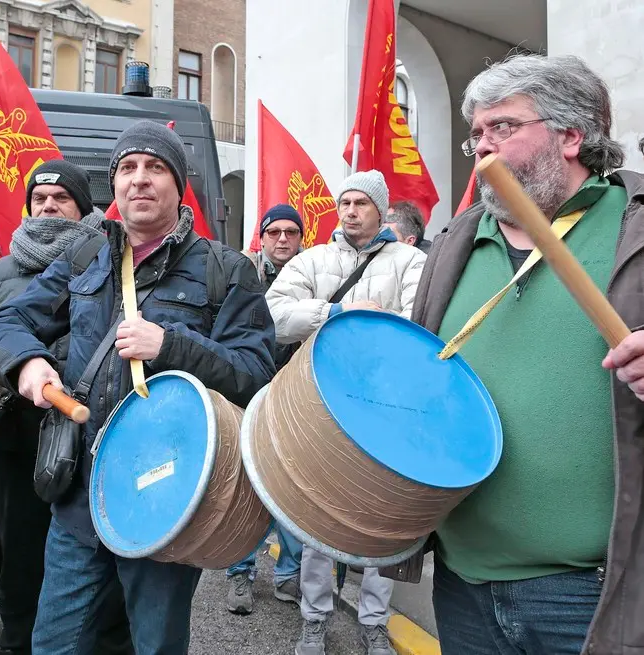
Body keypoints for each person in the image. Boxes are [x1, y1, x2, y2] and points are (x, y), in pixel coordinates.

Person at [0, 120, 275, 654]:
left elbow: (254, 376)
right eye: (128, 168)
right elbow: (7, 323)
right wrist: (27, 363)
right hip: (80, 495)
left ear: (177, 185)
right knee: (55, 643)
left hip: (168, 497)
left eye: (155, 167)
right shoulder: (82, 258)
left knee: (154, 645)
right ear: (115, 186)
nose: (140, 180)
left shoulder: (225, 270)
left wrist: (171, 346)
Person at [406, 53, 644, 655]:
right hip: (462, 583)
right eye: (476, 135)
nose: (483, 149)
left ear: (572, 135)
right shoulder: (455, 242)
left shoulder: (635, 227)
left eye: (503, 128)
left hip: (594, 594)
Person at [0, 159, 132, 654]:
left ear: (84, 207)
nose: (49, 206)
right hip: (13, 440)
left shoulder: (105, 259)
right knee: (15, 552)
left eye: (61, 199)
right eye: (40, 199)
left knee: (80, 559)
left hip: (82, 435)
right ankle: (13, 641)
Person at [266, 169, 425, 655]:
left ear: (380, 209)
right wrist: (336, 314)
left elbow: (422, 319)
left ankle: (374, 621)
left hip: (387, 406)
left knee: (383, 520)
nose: (351, 211)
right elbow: (273, 314)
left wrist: (381, 322)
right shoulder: (312, 260)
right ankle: (314, 618)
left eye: (361, 203)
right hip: (323, 404)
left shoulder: (410, 260)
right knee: (321, 517)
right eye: (345, 202)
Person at [226, 203, 305, 616]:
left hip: (296, 404)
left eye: (291, 232)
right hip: (248, 398)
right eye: (274, 231)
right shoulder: (241, 276)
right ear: (262, 236)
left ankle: (288, 574)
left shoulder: (313, 277)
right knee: (245, 490)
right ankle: (239, 572)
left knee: (292, 490)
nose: (282, 239)